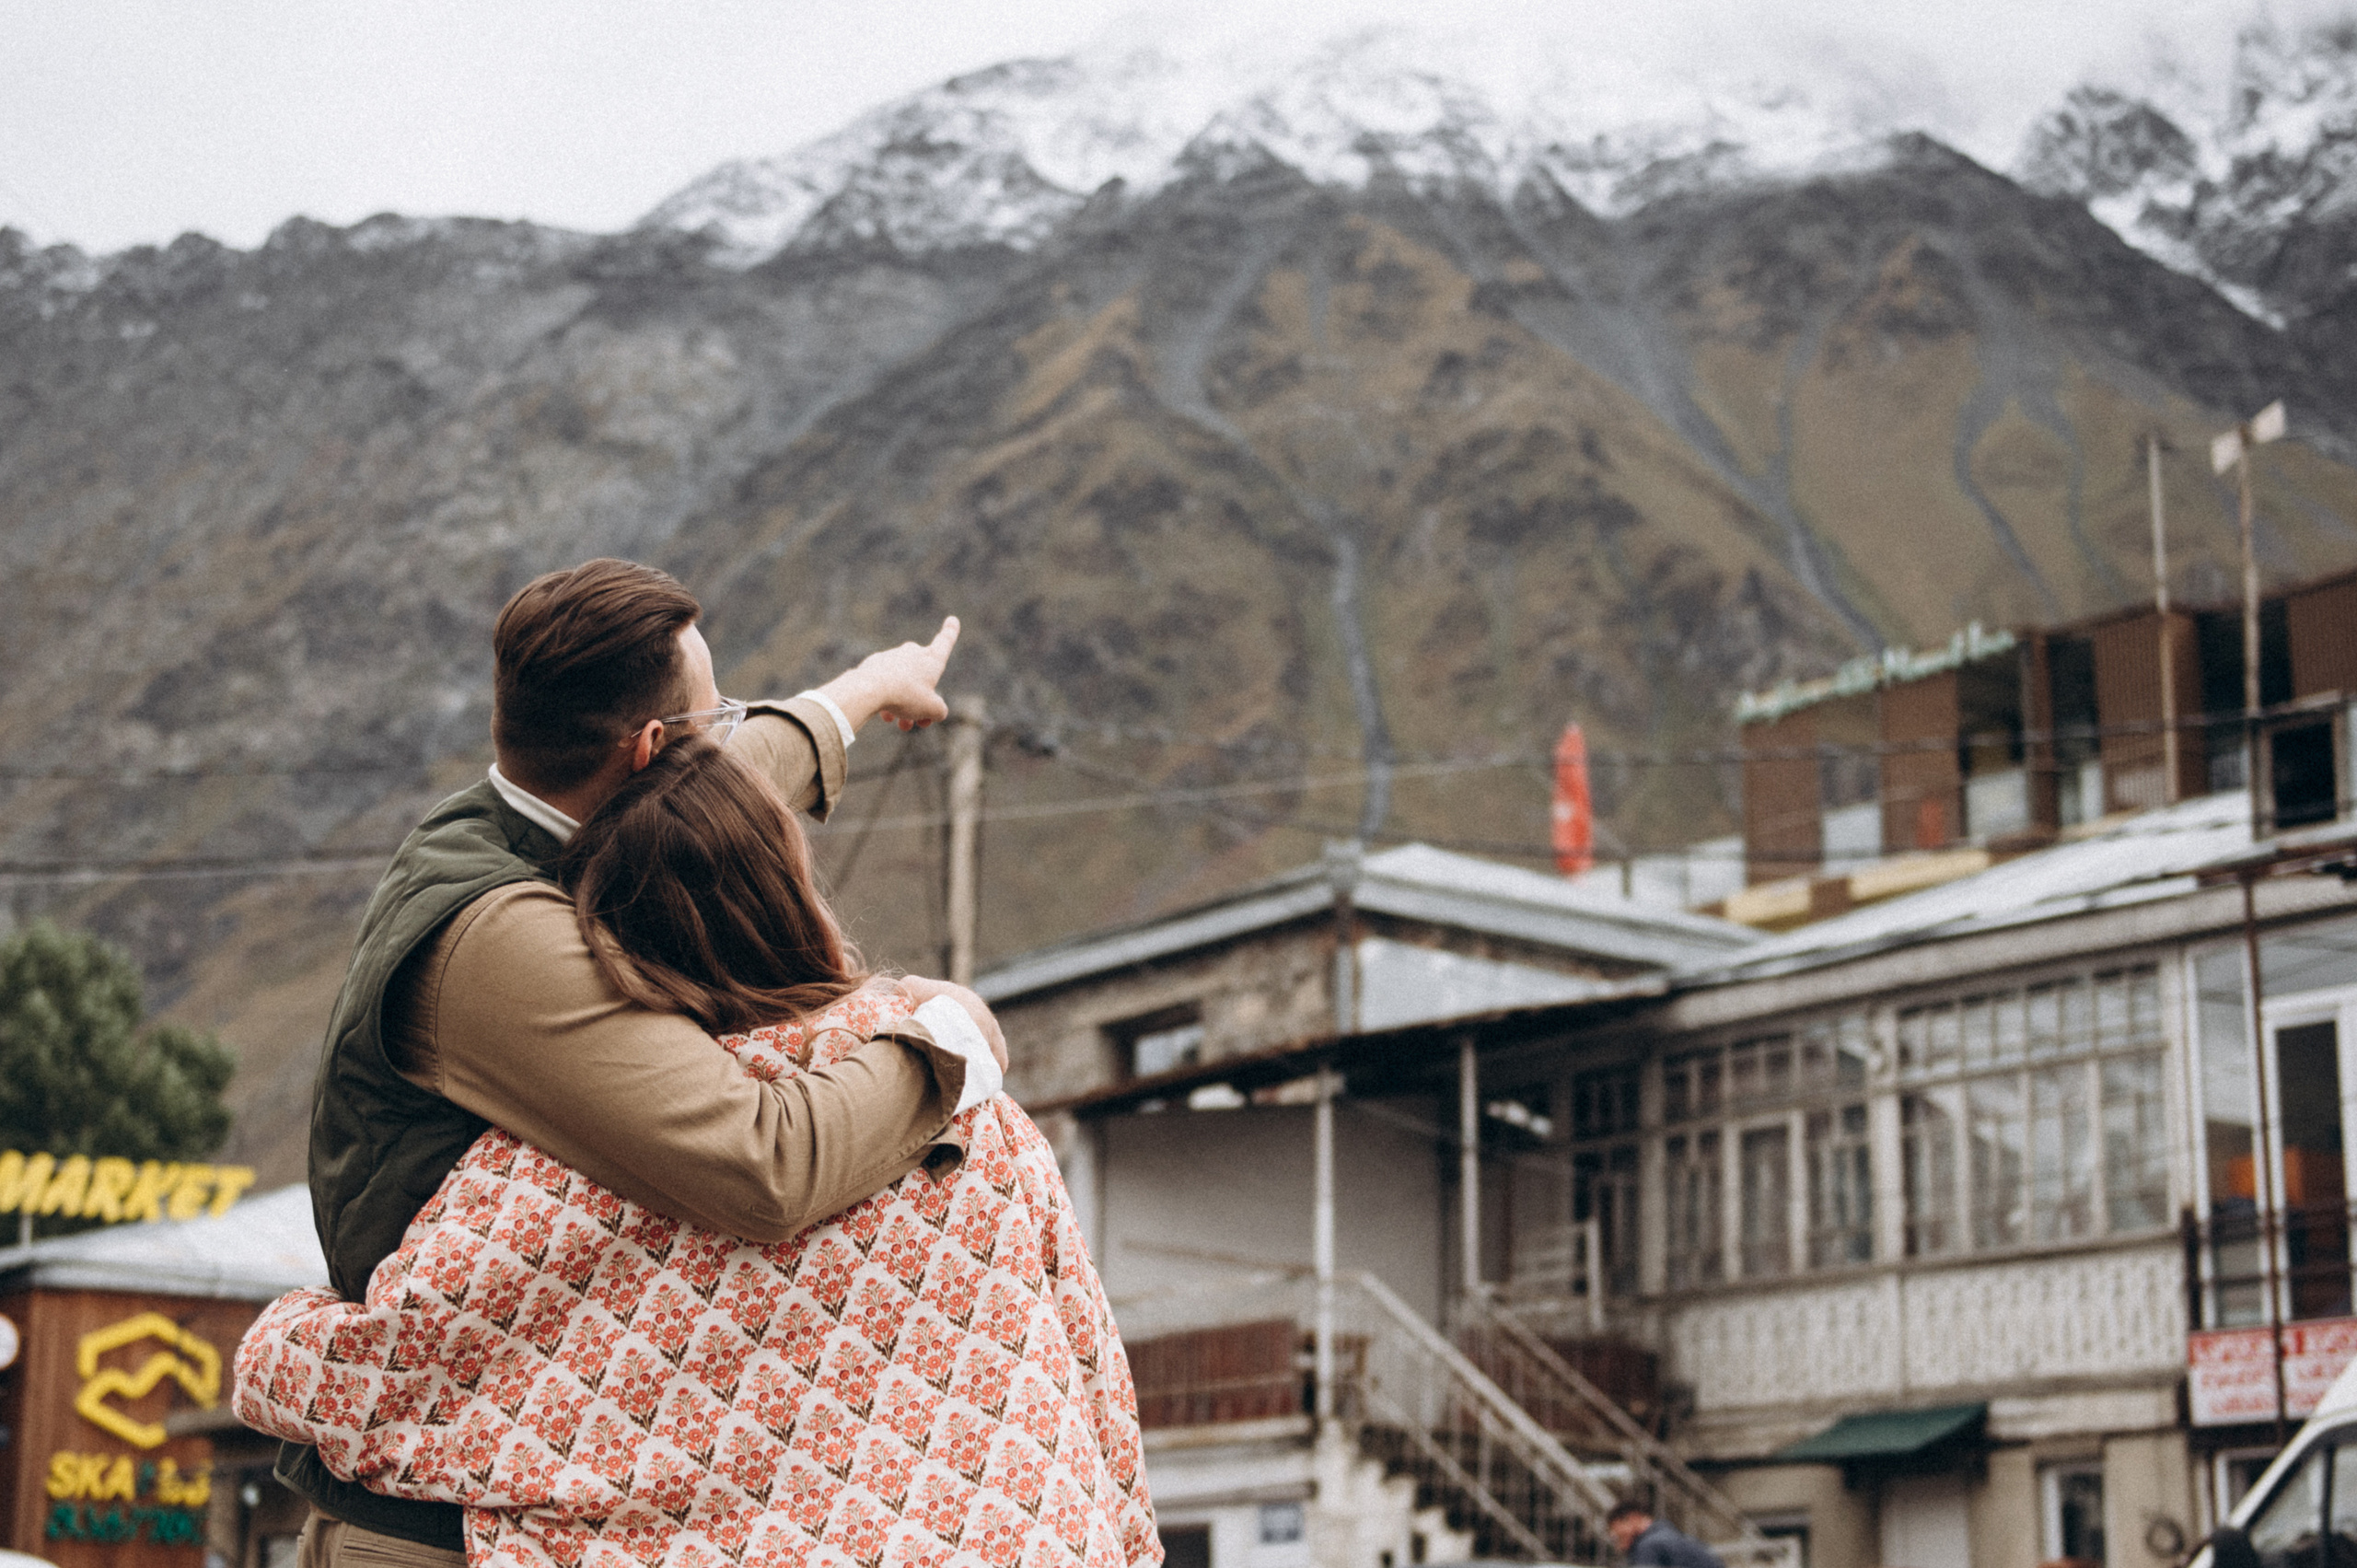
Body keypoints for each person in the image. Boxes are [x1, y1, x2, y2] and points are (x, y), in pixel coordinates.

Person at [236, 737, 1159, 1568]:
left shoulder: (557, 1166)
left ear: (610, 941)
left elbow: (374, 1370)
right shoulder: (983, 1130)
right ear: (792, 888)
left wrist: (290, 1334)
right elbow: (1096, 1397)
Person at [284, 559, 1010, 1566]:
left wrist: (869, 687)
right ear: (650, 750)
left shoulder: (547, 818)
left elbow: (739, 766)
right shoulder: (499, 939)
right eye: (711, 718)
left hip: (514, 1511)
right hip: (441, 1536)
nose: (726, 742)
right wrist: (948, 1040)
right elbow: (763, 1162)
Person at [1608, 1501, 1725, 1568]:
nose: (1614, 1535)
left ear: (1633, 1518)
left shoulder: (1648, 1546)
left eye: (1617, 1532)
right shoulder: (1670, 1535)